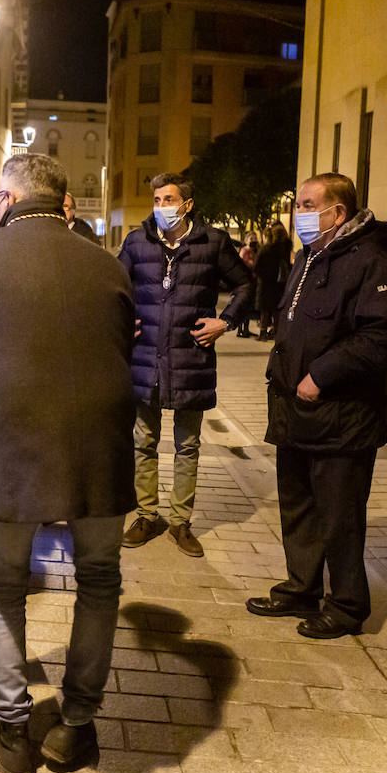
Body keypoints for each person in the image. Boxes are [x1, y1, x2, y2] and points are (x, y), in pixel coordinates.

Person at [0, 154, 135, 773]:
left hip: (10, 447)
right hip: (101, 448)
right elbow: (122, 349)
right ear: (63, 202)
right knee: (98, 580)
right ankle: (76, 728)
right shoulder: (107, 265)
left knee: (3, 585)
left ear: (5, 201)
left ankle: (10, 732)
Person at [247, 173, 387, 639]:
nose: (299, 213)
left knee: (339, 517)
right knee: (298, 507)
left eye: (307, 204)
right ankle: (302, 587)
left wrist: (323, 374)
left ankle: (347, 604)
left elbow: (385, 335)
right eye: (298, 204)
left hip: (342, 418)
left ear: (337, 213)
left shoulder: (371, 259)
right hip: (295, 413)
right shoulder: (310, 256)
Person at [118, 173, 253, 558]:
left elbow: (245, 284)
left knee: (188, 445)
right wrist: (123, 319)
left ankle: (180, 522)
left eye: (169, 199)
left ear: (187, 204)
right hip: (144, 358)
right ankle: (147, 515)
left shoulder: (212, 242)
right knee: (143, 442)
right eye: (157, 199)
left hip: (191, 358)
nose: (161, 206)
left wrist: (225, 322)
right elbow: (116, 284)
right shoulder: (136, 241)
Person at [253, 220, 292, 341]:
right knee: (277, 311)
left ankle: (263, 333)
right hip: (280, 284)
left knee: (265, 311)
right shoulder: (285, 249)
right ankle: (277, 333)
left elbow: (257, 267)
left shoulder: (266, 250)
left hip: (266, 284)